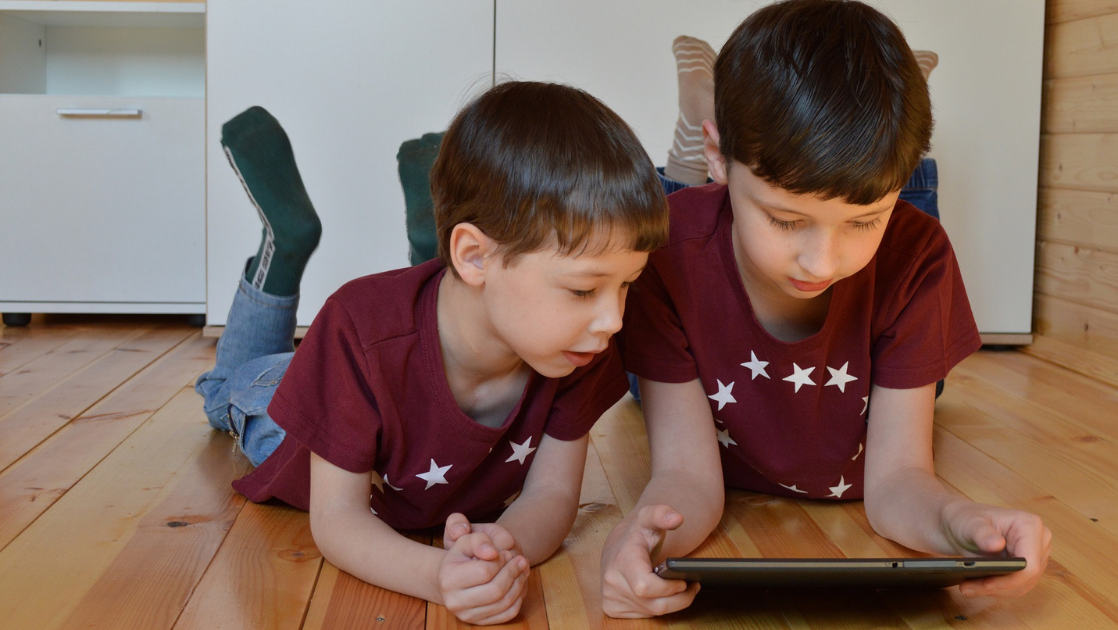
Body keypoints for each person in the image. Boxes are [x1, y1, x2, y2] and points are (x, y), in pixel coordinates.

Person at [601, 0, 1052, 618]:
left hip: (860, 344)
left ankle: (882, 130)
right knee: (664, 213)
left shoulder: (916, 258)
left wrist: (960, 521)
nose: (820, 262)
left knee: (906, 219)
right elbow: (688, 476)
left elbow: (896, 480)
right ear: (721, 156)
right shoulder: (667, 258)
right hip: (697, 329)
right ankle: (702, 124)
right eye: (786, 219)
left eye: (862, 221)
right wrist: (645, 540)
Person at [194, 81, 668, 625]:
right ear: (476, 256)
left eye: (627, 284)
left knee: (417, 334)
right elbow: (337, 518)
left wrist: (497, 552)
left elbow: (553, 496)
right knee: (228, 386)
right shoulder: (356, 328)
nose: (613, 320)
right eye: (583, 290)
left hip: (413, 352)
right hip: (303, 402)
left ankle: (429, 257)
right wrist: (437, 576)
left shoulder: (577, 344)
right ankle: (284, 244)